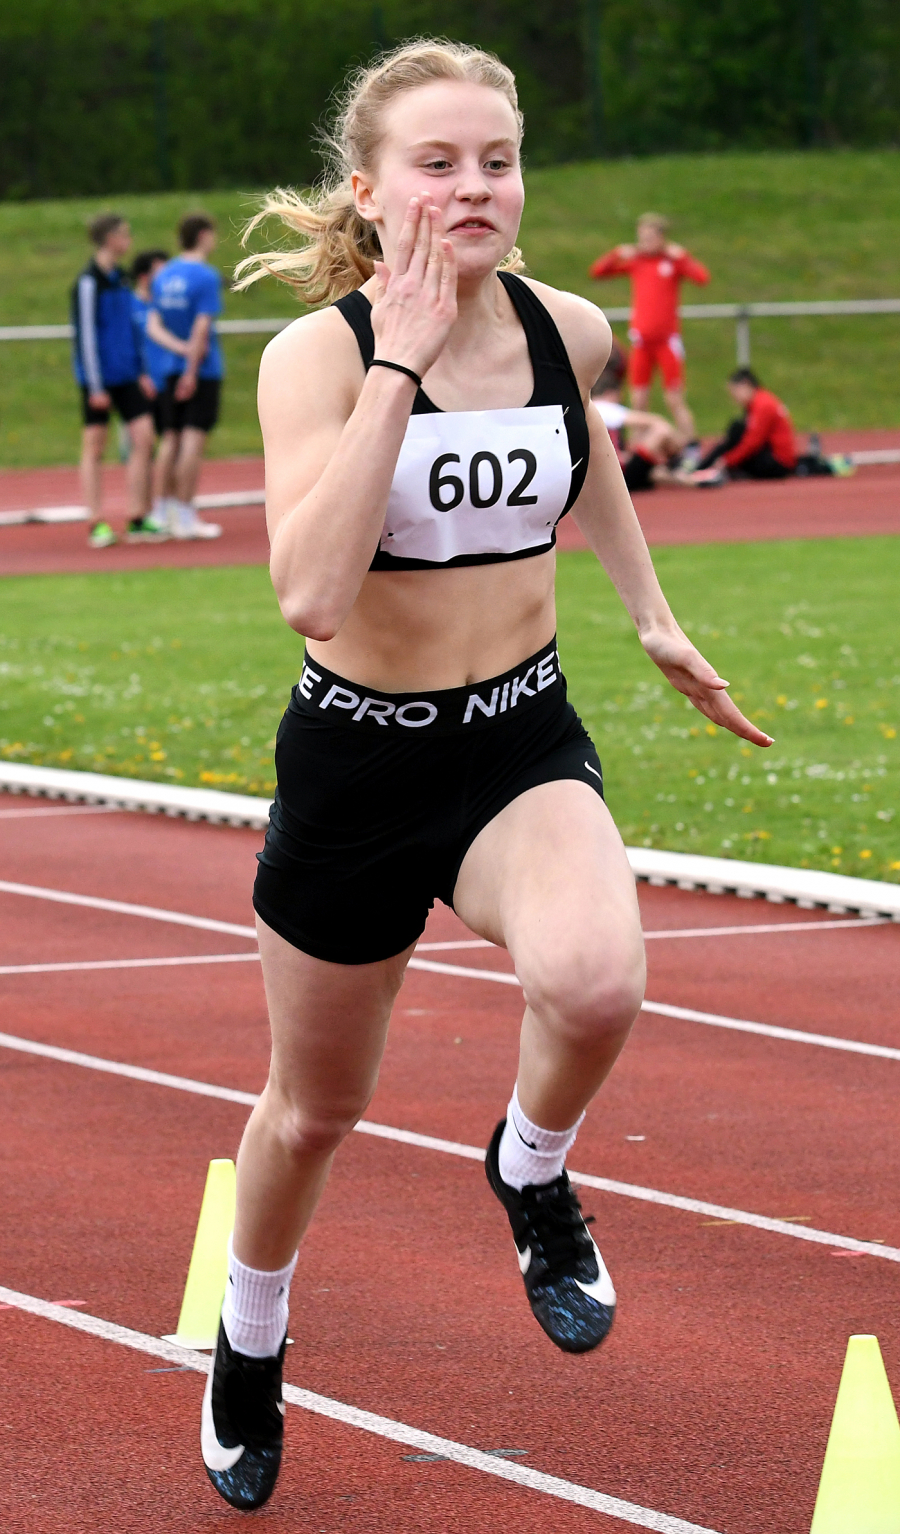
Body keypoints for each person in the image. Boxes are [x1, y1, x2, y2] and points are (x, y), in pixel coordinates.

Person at [199, 40, 772, 1511]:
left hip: (518, 738)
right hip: (359, 768)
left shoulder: (566, 326)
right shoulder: (316, 360)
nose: (474, 188)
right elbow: (312, 595)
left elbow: (584, 456)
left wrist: (650, 612)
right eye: (438, 164)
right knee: (313, 1111)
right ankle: (251, 1339)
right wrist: (396, 359)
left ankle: (531, 1164)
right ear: (373, 190)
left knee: (597, 981)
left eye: (497, 161)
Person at [71, 214, 157, 547]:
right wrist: (95, 386)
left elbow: (133, 328)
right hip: (100, 378)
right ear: (108, 239)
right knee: (95, 445)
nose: (129, 241)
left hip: (127, 375)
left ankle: (137, 517)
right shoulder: (88, 282)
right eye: (124, 235)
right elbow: (86, 337)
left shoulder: (121, 278)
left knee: (145, 438)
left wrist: (143, 370)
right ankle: (96, 522)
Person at [589, 213, 708, 448]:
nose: (644, 242)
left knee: (674, 398)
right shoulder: (637, 262)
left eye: (650, 237)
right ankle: (637, 449)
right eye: (641, 237)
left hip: (666, 341)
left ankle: (691, 445)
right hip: (642, 342)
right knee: (638, 400)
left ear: (662, 238)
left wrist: (682, 256)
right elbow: (598, 272)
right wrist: (617, 253)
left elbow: (701, 277)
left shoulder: (672, 262)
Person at [146, 213, 223, 540]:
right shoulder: (205, 276)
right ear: (204, 236)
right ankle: (186, 513)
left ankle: (160, 511)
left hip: (167, 368)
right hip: (200, 370)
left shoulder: (163, 275)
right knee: (192, 439)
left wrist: (177, 351)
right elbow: (202, 326)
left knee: (170, 439)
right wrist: (192, 366)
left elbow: (153, 326)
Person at [591, 341, 687, 492]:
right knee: (661, 430)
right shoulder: (604, 408)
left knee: (655, 473)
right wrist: (674, 447)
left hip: (607, 470)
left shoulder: (589, 408)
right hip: (616, 473)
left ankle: (688, 479)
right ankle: (678, 460)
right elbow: (652, 421)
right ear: (610, 394)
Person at [129, 249, 174, 538]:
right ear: (145, 276)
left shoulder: (162, 307)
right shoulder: (129, 305)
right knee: (142, 447)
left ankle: (158, 508)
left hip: (166, 381)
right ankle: (141, 512)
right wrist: (138, 375)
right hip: (143, 385)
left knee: (166, 443)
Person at [692, 367, 797, 481]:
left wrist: (727, 461)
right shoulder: (761, 400)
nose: (733, 398)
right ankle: (703, 468)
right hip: (776, 457)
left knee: (736, 430)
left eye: (734, 392)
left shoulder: (762, 404)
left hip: (778, 463)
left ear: (745, 385)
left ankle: (702, 469)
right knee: (736, 430)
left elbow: (752, 442)